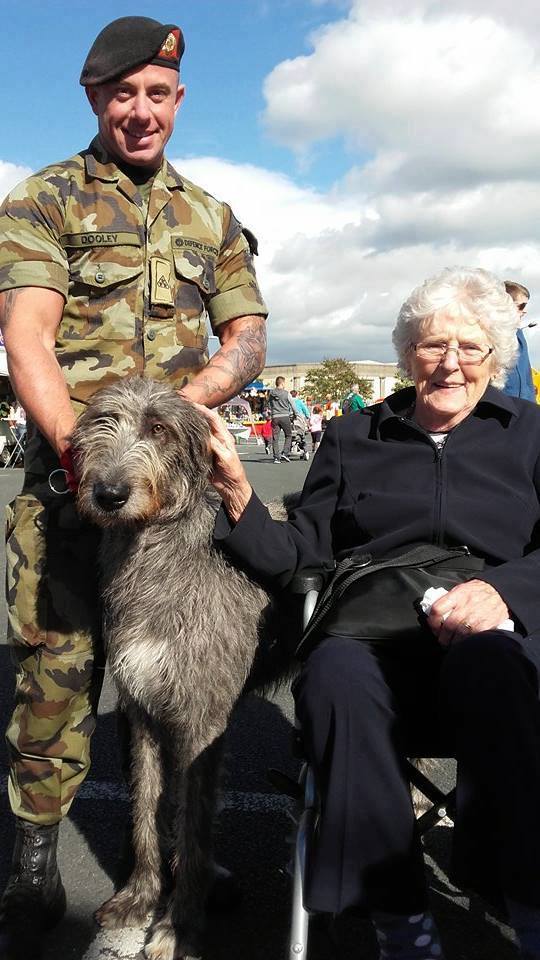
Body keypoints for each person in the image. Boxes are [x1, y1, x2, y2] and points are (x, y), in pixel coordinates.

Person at [0, 16, 267, 957]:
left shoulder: (212, 216)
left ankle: (168, 857)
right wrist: (88, 458)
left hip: (179, 497)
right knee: (58, 671)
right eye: (124, 95)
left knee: (166, 683)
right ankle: (34, 861)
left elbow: (246, 336)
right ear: (96, 99)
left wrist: (182, 414)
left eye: (158, 94)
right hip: (73, 479)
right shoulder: (45, 199)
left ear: (178, 99)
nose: (142, 111)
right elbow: (28, 336)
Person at [200, 266, 540, 960]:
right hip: (376, 635)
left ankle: (526, 894)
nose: (450, 363)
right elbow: (300, 556)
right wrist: (237, 494)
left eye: (470, 347)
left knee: (495, 665)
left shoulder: (531, 433)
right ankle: (399, 916)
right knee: (335, 675)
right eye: (433, 345)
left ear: (497, 357)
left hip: (498, 637)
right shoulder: (354, 436)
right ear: (407, 353)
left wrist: (505, 591)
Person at [502, 281, 536, 402]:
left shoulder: (519, 335)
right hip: (501, 403)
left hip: (524, 404)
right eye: (521, 306)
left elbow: (527, 377)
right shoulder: (489, 333)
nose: (525, 311)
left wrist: (531, 404)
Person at [268, 376, 296, 463]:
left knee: (275, 438)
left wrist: (272, 413)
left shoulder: (271, 393)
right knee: (288, 435)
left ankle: (276, 458)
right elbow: (293, 405)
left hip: (275, 417)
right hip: (285, 416)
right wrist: (296, 414)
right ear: (282, 383)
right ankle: (285, 453)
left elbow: (269, 405)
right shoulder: (286, 393)